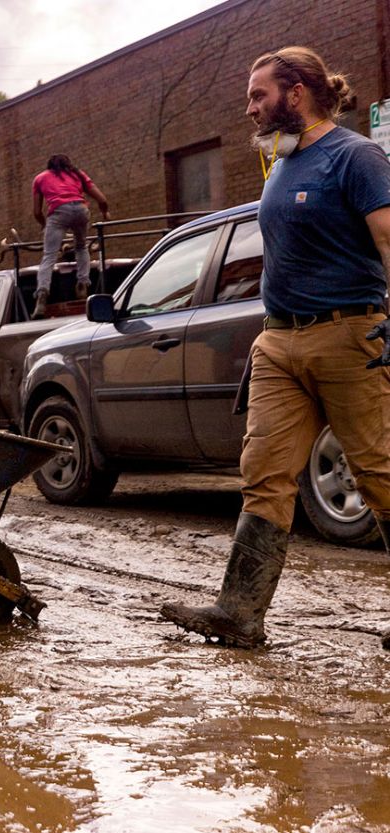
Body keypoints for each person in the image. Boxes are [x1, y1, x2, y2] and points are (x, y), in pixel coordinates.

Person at [161, 46, 390, 650]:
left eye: (259, 95)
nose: (250, 108)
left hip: (349, 336)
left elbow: (389, 238)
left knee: (378, 473)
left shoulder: (356, 156)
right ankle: (239, 612)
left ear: (297, 91)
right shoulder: (282, 162)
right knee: (264, 476)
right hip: (279, 341)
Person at [32, 154, 109, 317]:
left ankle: (42, 294)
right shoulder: (78, 174)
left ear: (49, 166)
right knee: (81, 247)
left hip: (58, 212)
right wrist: (105, 212)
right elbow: (102, 199)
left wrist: (44, 225)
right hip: (81, 210)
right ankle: (82, 283)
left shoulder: (40, 178)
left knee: (49, 256)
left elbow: (37, 212)